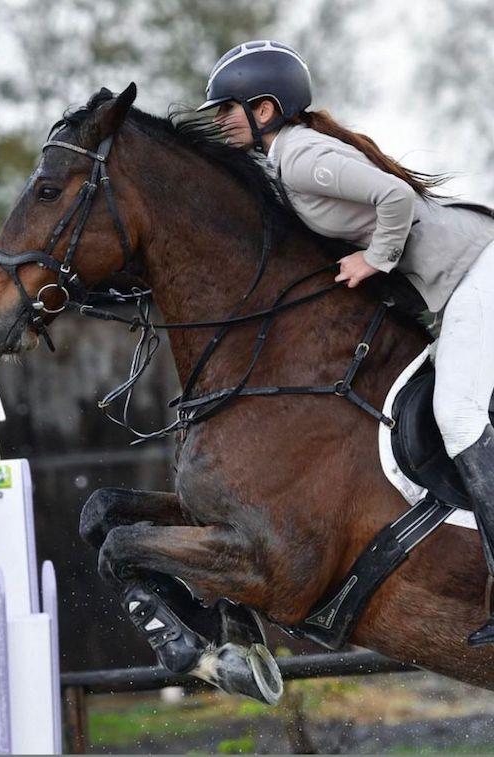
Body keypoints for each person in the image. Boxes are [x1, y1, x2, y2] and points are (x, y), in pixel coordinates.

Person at [197, 39, 494, 646]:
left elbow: (397, 199)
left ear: (267, 109)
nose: (220, 120)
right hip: (456, 279)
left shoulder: (301, 154)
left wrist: (372, 260)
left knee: (457, 416)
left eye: (229, 108)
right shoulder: (283, 161)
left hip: (474, 270)